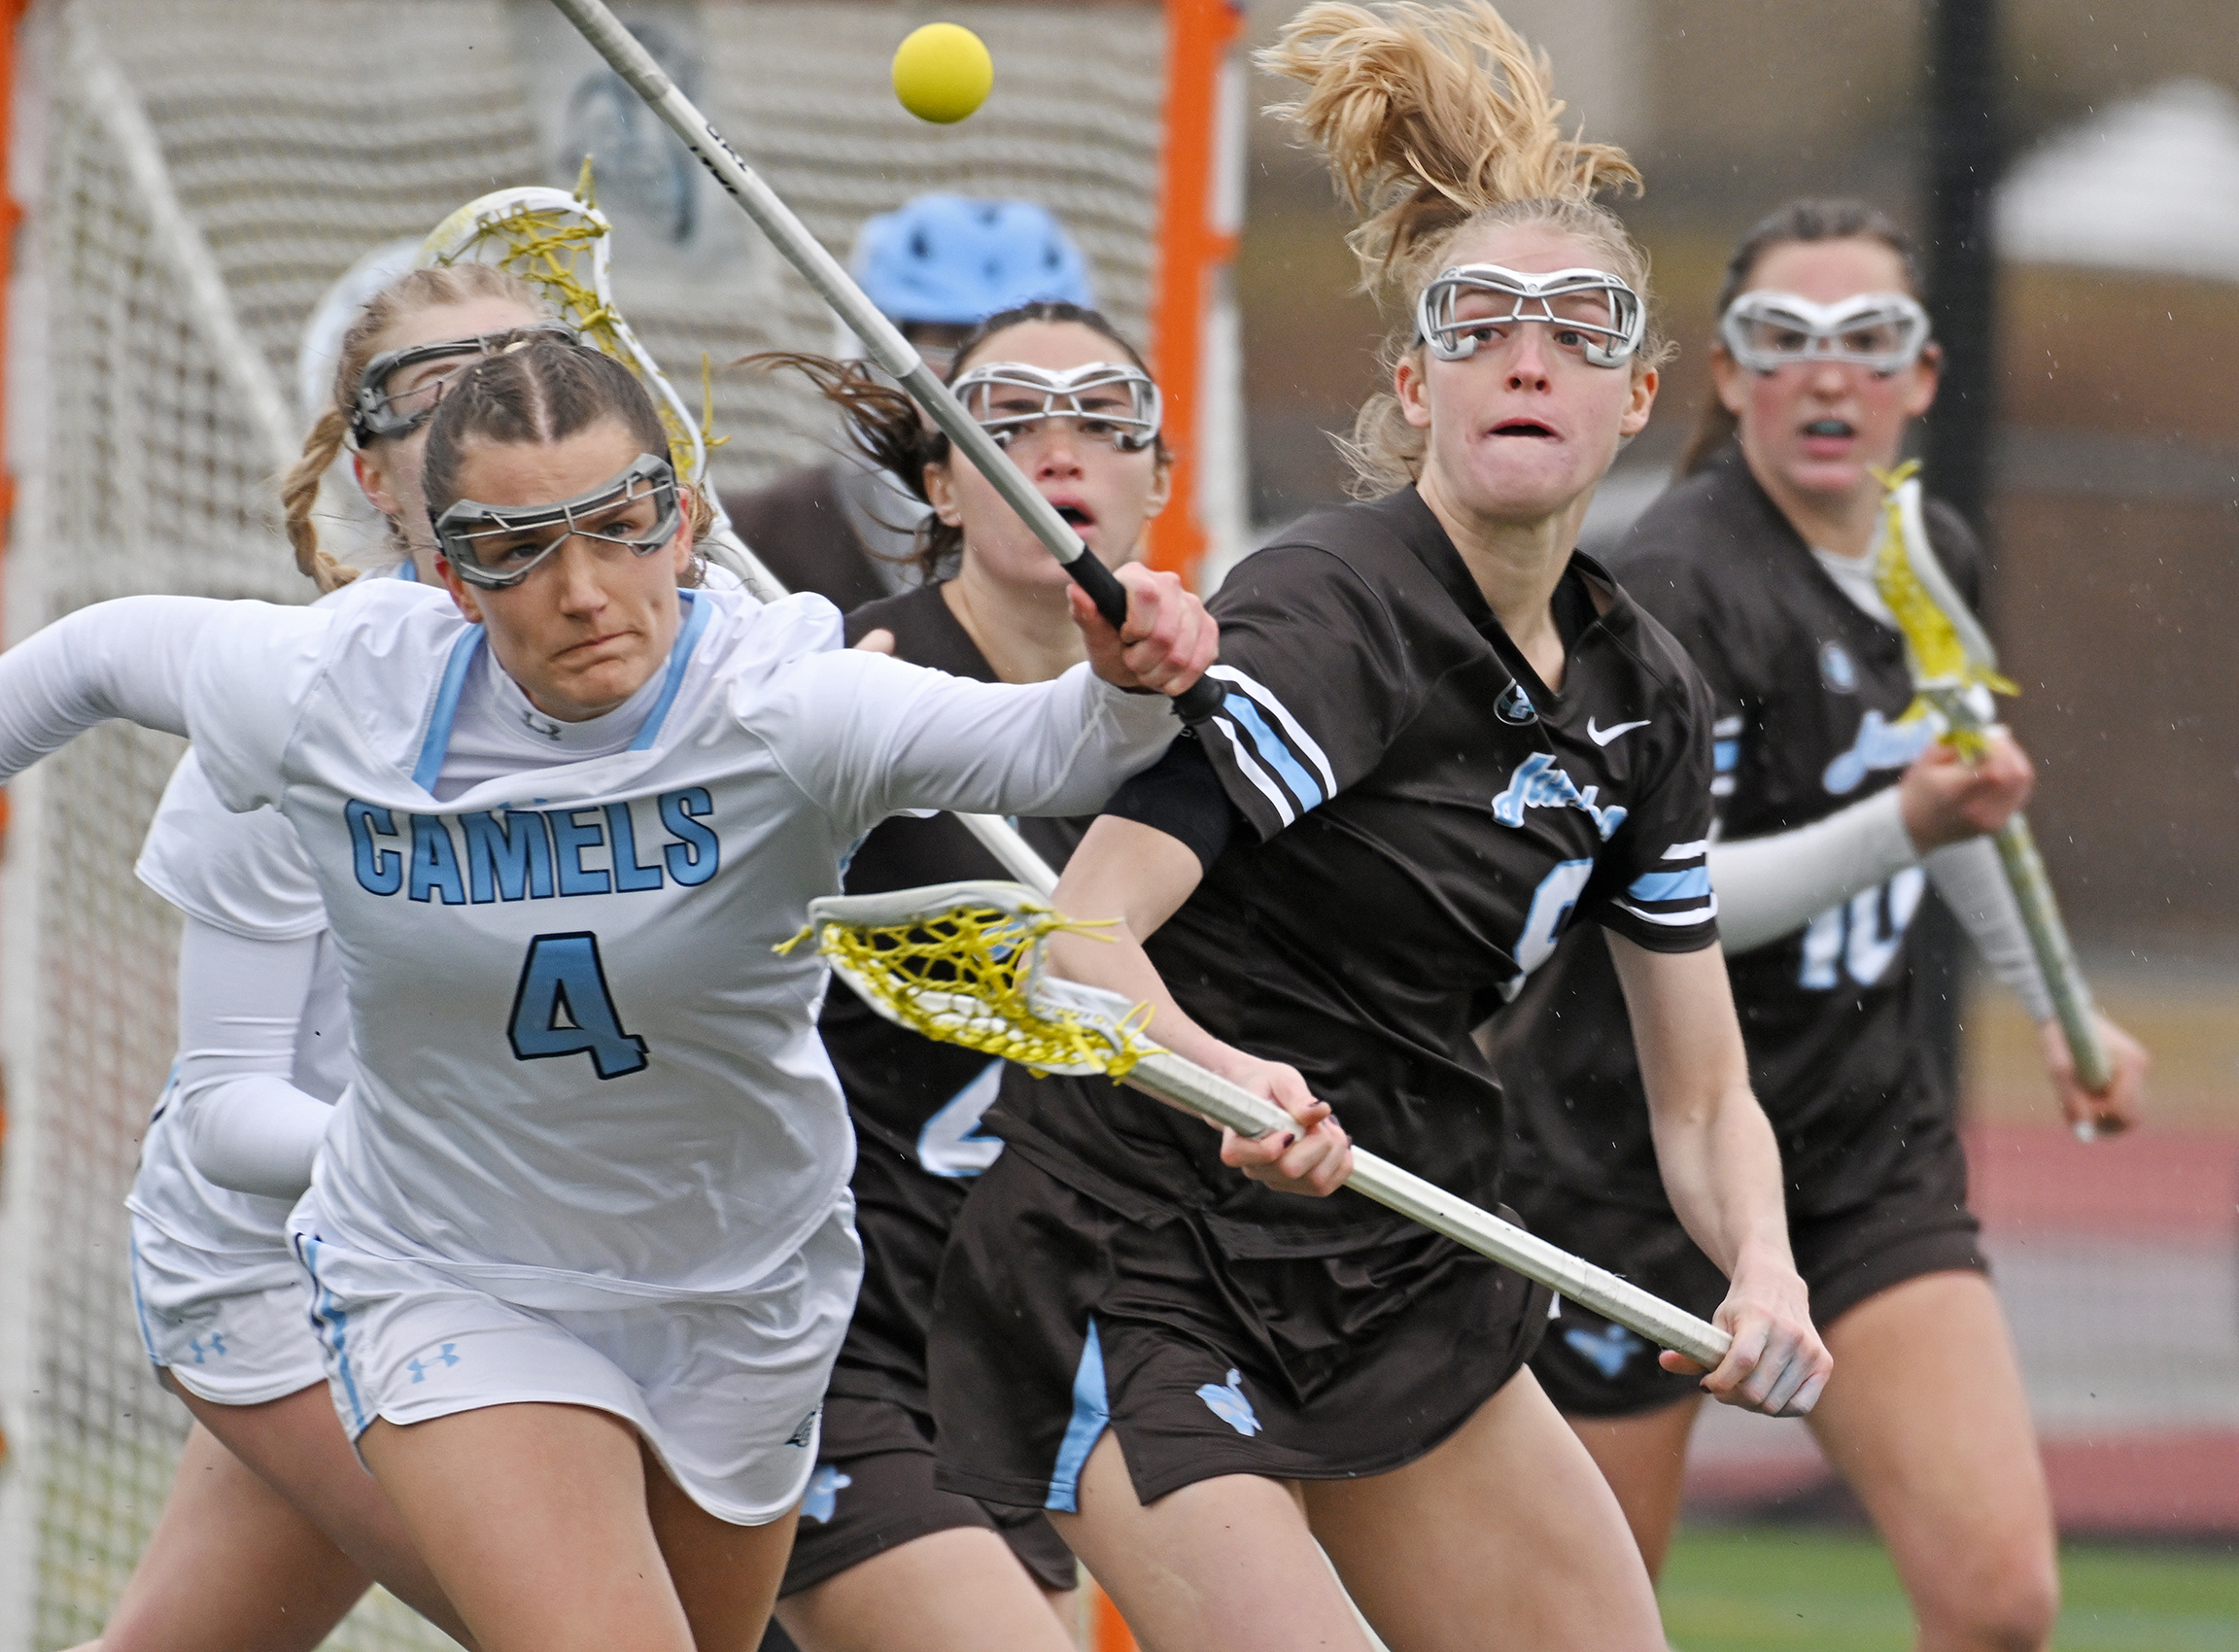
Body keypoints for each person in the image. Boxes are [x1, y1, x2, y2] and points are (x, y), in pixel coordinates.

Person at [0, 336, 1214, 1652]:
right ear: (451, 572)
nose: (582, 591)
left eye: (620, 528)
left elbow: (1061, 748)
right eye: (518, 549)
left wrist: (1126, 672)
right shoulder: (335, 691)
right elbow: (92, 658)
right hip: (453, 1273)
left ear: (681, 519)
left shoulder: (781, 705)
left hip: (741, 1292)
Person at [923, 8, 1830, 1650]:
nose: (1524, 353)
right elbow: (1074, 939)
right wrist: (1218, 1072)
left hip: (1386, 1248)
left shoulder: (1643, 694)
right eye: (1476, 324)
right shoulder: (1329, 615)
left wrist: (1759, 1269)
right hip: (1137, 1257)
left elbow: (1698, 1093)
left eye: (1574, 327)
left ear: (1633, 397)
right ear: (1415, 388)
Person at [1492, 198, 2150, 1649]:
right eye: (1783, 341)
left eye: (1871, 341)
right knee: (1582, 1629)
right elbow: (1679, 905)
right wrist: (1900, 827)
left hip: (1860, 1159)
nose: (1827, 374)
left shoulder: (1932, 552)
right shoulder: (1674, 588)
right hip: (1637, 1169)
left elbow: (1955, 792)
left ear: (1921, 377)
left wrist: (2057, 1004)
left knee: (1998, 1606)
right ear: (1727, 376)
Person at [84, 262, 566, 1652]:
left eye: (524, 367)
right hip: (277, 1277)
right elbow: (229, 1111)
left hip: (518, 1258)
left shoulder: (669, 678)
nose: (492, 410)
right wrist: (481, 1150)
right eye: (435, 391)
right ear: (374, 472)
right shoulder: (296, 707)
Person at [747, 298, 1169, 1652]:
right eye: (1010, 420)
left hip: (1045, 1352)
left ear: (1159, 478)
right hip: (834, 1343)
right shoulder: (859, 692)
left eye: (1106, 418)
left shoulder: (1191, 737)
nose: (1063, 447)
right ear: (939, 481)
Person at [725, 195, 1096, 607]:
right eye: (949, 341)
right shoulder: (753, 541)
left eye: (1015, 355)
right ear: (869, 348)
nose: (979, 383)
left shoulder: (1096, 546)